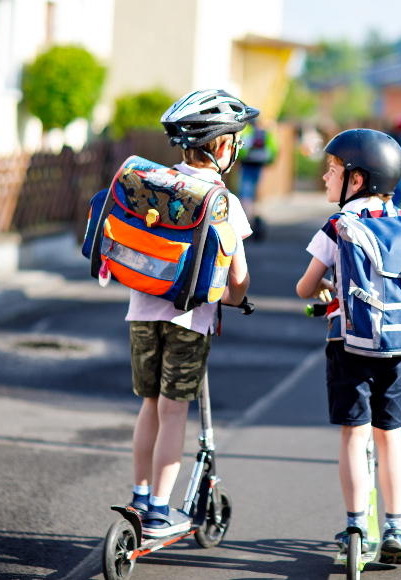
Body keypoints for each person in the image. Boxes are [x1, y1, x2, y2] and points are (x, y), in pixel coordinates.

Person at [127, 89, 254, 537]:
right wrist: (238, 299)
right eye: (235, 141)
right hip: (189, 320)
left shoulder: (154, 184)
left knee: (149, 407)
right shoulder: (224, 202)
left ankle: (139, 496)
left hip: (141, 311)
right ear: (221, 147)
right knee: (174, 412)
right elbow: (238, 279)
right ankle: (159, 510)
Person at [295, 129, 401, 565]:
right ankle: (396, 527)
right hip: (398, 343)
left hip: (350, 343)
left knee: (354, 433)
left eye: (333, 170)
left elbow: (305, 286)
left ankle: (356, 526)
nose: (326, 177)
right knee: (391, 436)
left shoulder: (339, 226)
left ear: (357, 180)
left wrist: (329, 288)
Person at [237, 118, 278, 239]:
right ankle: (255, 221)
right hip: (260, 164)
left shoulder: (246, 131)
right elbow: (273, 149)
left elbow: (241, 148)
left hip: (247, 164)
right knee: (256, 194)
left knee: (245, 194)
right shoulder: (266, 131)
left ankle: (247, 224)